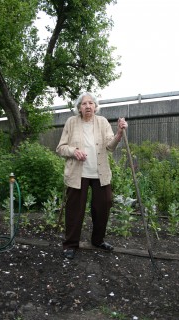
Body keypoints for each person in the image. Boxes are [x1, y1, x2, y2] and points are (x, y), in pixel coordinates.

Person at [56, 92, 128, 259]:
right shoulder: (71, 122)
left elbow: (110, 146)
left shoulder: (102, 122)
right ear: (79, 108)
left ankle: (98, 240)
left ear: (95, 107)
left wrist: (118, 134)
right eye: (84, 103)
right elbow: (61, 148)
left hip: (100, 173)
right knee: (74, 209)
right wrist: (74, 151)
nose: (88, 106)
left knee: (104, 204)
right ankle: (71, 244)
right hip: (77, 173)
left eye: (91, 103)